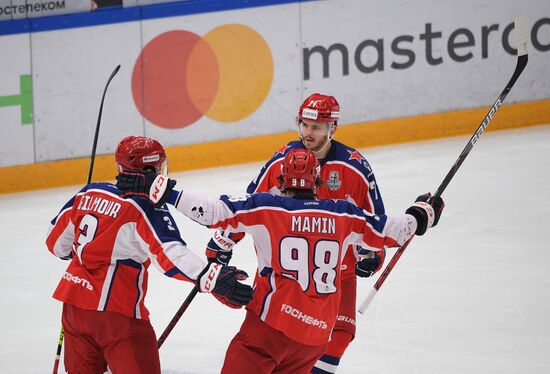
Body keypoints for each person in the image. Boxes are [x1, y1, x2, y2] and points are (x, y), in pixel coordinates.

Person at [116, 148, 444, 373]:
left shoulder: (267, 208)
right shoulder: (346, 214)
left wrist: (165, 190)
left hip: (269, 330)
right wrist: (425, 211)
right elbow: (399, 230)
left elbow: (213, 212)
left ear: (283, 180)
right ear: (317, 181)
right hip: (314, 338)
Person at [205, 93, 386, 373]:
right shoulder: (281, 162)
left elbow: (376, 219)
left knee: (338, 337)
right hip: (283, 268)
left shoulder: (355, 168)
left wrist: (374, 251)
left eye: (316, 127)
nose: (307, 133)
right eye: (304, 124)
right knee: (270, 338)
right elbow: (250, 204)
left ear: (332, 128)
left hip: (336, 272)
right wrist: (225, 239)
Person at [46, 136, 253, 374]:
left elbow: (55, 245)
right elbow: (170, 254)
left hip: (73, 309)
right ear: (151, 169)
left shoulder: (88, 192)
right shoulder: (145, 206)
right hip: (118, 316)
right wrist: (212, 276)